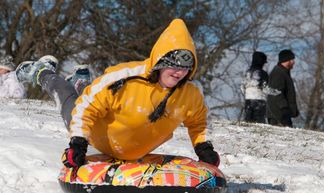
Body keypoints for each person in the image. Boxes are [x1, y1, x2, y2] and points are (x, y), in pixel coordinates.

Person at [16, 18, 220, 169]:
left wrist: (203, 148)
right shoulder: (125, 77)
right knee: (66, 96)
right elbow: (87, 107)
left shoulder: (189, 94)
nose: (179, 73)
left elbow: (198, 122)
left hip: (130, 151)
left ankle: (81, 82)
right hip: (94, 134)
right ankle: (42, 72)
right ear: (159, 62)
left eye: (185, 68)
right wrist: (78, 142)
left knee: (88, 92)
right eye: (172, 65)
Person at [266, 49, 299, 127]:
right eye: (292, 59)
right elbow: (276, 92)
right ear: (286, 60)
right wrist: (284, 108)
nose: (293, 62)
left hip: (281, 114)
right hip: (278, 114)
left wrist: (292, 110)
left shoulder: (283, 73)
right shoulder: (278, 73)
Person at [241, 51, 269, 123]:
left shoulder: (247, 72)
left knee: (248, 121)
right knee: (259, 122)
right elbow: (265, 87)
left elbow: (242, 87)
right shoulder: (263, 74)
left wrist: (246, 94)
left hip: (248, 100)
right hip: (260, 100)